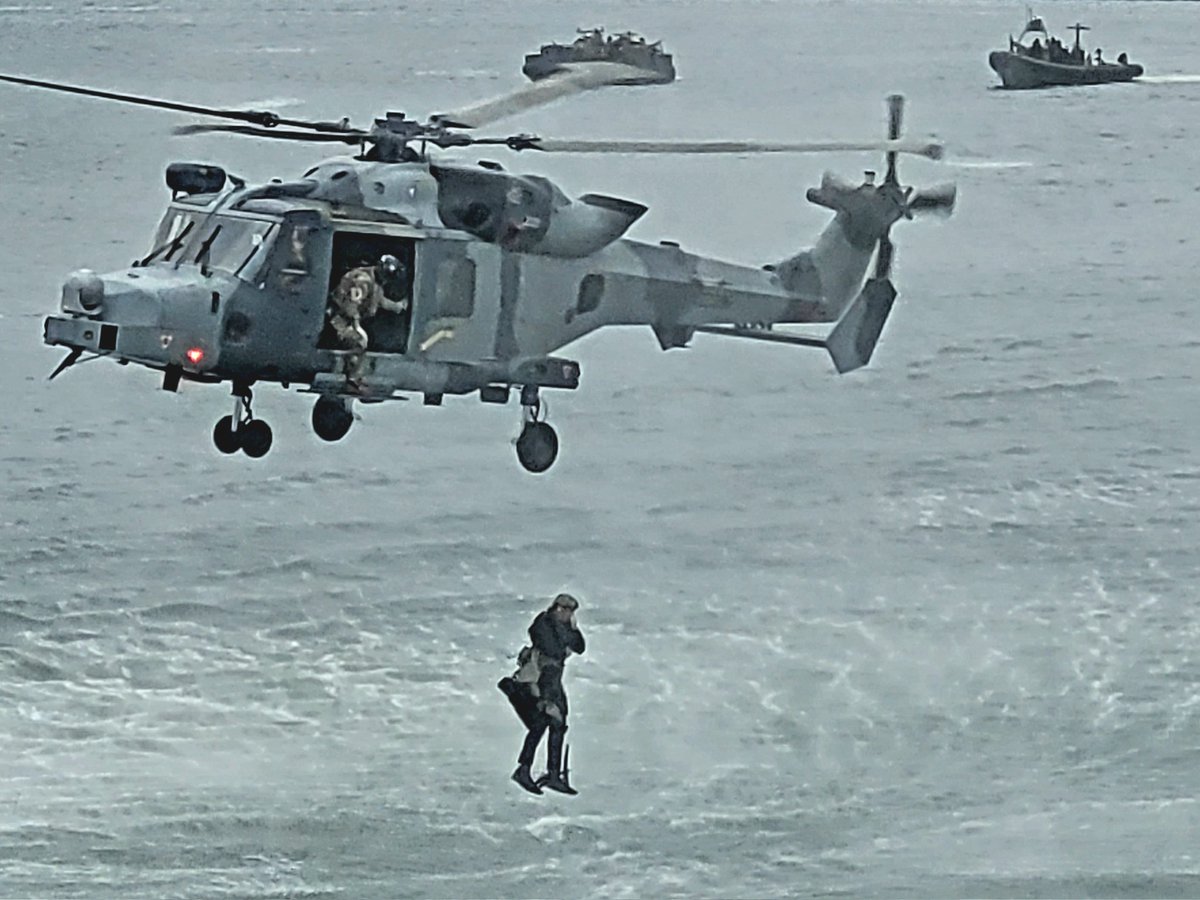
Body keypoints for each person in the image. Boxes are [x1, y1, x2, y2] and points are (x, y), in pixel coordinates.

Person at [504, 593, 586, 795]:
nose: (570, 616)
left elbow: (580, 647)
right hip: (538, 681)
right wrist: (566, 636)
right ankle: (523, 770)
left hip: (553, 679)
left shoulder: (566, 627)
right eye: (568, 611)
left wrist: (572, 630)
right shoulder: (542, 623)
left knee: (558, 724)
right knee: (541, 722)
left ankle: (553, 774)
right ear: (558, 609)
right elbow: (553, 649)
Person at [328, 254, 409, 387]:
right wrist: (356, 327)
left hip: (348, 318)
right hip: (339, 319)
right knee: (360, 340)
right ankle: (352, 379)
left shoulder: (376, 281)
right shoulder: (363, 281)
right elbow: (351, 305)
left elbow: (379, 301)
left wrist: (398, 306)